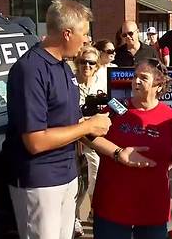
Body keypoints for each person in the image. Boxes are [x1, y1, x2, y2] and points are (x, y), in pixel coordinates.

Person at [2, 0, 152, 239]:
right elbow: (35, 141)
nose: (87, 40)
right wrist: (90, 125)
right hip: (40, 182)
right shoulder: (29, 71)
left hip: (67, 176)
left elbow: (76, 127)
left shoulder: (63, 66)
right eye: (84, 33)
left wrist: (117, 152)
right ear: (67, 33)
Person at [88, 58, 172, 239]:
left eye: (143, 77)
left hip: (152, 209)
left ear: (159, 85)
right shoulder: (115, 108)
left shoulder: (171, 118)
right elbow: (89, 136)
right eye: (134, 76)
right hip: (112, 207)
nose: (136, 81)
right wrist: (118, 154)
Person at [72, 45, 106, 237]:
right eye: (83, 62)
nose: (87, 66)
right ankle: (75, 218)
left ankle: (95, 212)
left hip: (94, 141)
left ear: (97, 66)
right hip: (72, 140)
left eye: (91, 63)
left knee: (94, 178)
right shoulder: (70, 83)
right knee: (75, 182)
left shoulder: (101, 87)